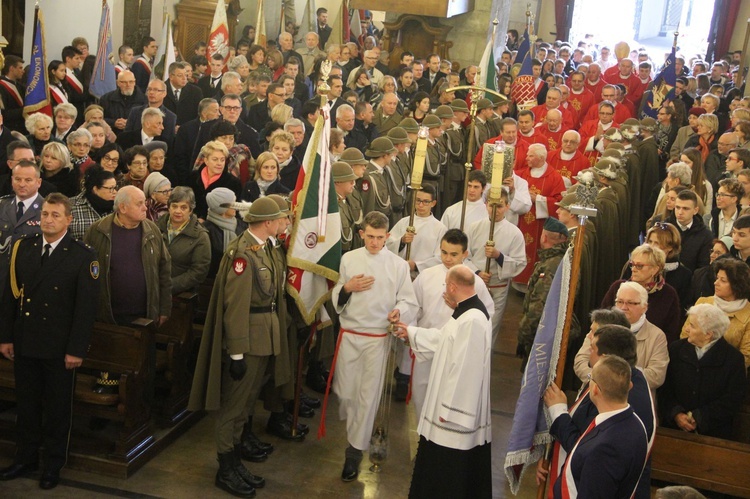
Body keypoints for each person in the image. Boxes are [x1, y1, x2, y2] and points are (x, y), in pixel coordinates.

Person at [188, 197, 288, 496]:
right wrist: (236, 353)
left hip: (264, 336)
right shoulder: (243, 254)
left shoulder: (264, 248)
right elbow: (234, 307)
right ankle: (225, 467)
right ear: (268, 222)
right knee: (233, 407)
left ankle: (234, 461)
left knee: (246, 404)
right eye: (280, 219)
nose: (283, 222)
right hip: (248, 340)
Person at [0, 193, 99, 490]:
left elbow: (85, 309)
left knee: (57, 409)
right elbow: (10, 296)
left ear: (69, 220)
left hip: (59, 347)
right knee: (27, 405)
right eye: (44, 214)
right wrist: (5, 337)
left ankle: (53, 464)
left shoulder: (82, 255)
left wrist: (76, 349)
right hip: (26, 340)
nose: (48, 220)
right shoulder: (24, 247)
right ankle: (25, 457)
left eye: (55, 215)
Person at [325, 211, 417, 482]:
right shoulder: (349, 258)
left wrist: (398, 312)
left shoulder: (398, 266)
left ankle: (353, 453)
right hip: (350, 334)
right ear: (361, 233)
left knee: (368, 395)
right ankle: (354, 439)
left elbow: (409, 300)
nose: (375, 242)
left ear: (388, 236)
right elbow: (337, 293)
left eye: (380, 237)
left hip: (377, 338)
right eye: (370, 236)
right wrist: (347, 288)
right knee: (349, 394)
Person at [393, 264, 492, 498]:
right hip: (450, 413)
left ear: (452, 287)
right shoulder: (467, 311)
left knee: (447, 475)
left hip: (454, 419)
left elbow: (466, 371)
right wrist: (413, 333)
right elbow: (446, 340)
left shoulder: (473, 320)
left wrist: (450, 411)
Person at [542, 324, 656, 499]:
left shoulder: (609, 445)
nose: (589, 351)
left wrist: (558, 412)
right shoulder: (625, 390)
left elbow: (585, 448)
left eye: (593, 348)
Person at [552, 355, 649, 499]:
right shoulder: (635, 423)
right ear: (630, 386)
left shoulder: (606, 448)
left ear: (595, 389)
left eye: (591, 377)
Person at [84, 186, 171, 327]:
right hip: (106, 317)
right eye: (139, 204)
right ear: (123, 208)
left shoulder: (152, 230)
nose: (145, 208)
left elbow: (164, 270)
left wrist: (164, 309)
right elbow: (85, 272)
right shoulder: (97, 231)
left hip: (145, 316)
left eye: (145, 202)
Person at [660, 303, 747, 439]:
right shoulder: (676, 349)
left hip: (714, 434)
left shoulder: (733, 359)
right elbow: (665, 387)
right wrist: (676, 413)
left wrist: (699, 417)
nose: (687, 329)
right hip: (673, 430)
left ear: (708, 335)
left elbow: (732, 398)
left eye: (692, 326)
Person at [466, 190, 527, 347]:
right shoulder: (474, 228)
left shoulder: (515, 233)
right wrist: (477, 272)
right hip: (473, 285)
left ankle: (484, 367)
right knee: (469, 328)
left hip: (497, 288)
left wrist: (498, 256)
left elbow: (520, 262)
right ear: (485, 205)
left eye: (499, 206)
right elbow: (464, 256)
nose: (495, 210)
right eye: (491, 205)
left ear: (507, 206)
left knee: (489, 330)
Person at [517, 218, 570, 368]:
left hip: (541, 337)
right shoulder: (558, 260)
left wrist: (523, 336)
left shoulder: (550, 266)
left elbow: (538, 306)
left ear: (544, 237)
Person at [684, 257, 750, 368]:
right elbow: (685, 335)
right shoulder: (703, 302)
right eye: (717, 278)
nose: (716, 283)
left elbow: (745, 357)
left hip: (727, 373)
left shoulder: (747, 314)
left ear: (737, 285)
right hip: (692, 365)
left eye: (723, 280)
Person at [156, 187, 210, 294]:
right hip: (152, 286)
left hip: (181, 293)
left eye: (183, 207)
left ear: (191, 210)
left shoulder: (200, 236)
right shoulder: (156, 227)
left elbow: (198, 272)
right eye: (174, 206)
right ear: (168, 207)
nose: (178, 211)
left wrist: (168, 286)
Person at [191, 141, 242, 220]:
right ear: (206, 160)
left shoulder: (233, 183)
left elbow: (235, 213)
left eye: (222, 160)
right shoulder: (192, 177)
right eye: (215, 159)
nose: (219, 163)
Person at [666, 189, 713, 272]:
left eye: (685, 208)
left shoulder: (705, 235)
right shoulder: (664, 229)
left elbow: (703, 268)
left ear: (695, 210)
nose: (680, 212)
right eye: (677, 207)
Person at [69, 165, 117, 240]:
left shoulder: (117, 207)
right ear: (95, 189)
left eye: (115, 187)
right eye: (110, 188)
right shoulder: (71, 205)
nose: (114, 192)